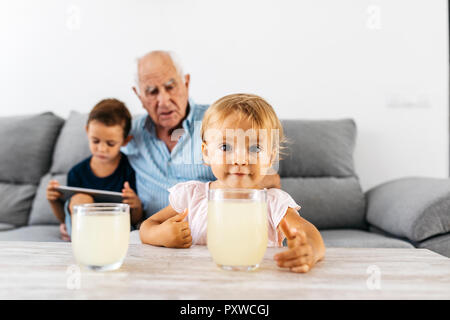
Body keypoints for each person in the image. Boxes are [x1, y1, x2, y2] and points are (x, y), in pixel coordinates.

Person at [139, 93, 325, 273]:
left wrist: (309, 251)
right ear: (206, 152)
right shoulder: (193, 195)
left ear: (270, 158)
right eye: (226, 147)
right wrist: (162, 235)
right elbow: (148, 226)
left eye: (254, 148)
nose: (240, 159)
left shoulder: (273, 202)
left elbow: (309, 233)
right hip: (200, 285)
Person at [122, 50, 280, 221]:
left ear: (186, 83)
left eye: (170, 86)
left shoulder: (220, 123)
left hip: (210, 229)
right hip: (153, 233)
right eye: (152, 92)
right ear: (139, 96)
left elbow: (271, 179)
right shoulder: (130, 134)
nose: (164, 100)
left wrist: (220, 189)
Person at [46, 98, 143, 240]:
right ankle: (88, 242)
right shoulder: (77, 172)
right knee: (79, 199)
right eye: (95, 141)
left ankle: (97, 242)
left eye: (110, 143)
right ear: (87, 132)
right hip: (82, 229)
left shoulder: (130, 169)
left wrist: (136, 205)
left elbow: (134, 220)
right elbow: (65, 217)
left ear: (125, 141)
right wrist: (53, 201)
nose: (102, 149)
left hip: (115, 227)